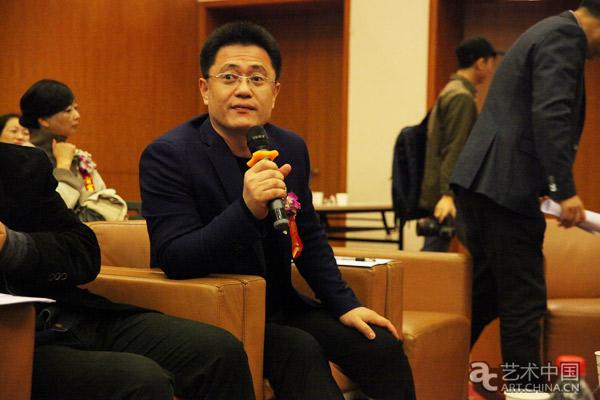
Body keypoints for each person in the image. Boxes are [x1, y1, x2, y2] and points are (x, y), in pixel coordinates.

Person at [140, 21, 415, 400]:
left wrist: (345, 304)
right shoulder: (169, 155)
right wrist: (246, 209)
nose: (243, 89)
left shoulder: (289, 146)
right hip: (215, 314)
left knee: (379, 345)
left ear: (274, 92)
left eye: (257, 79)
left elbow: (309, 237)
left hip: (280, 305)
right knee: (299, 349)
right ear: (204, 89)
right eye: (229, 77)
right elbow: (175, 258)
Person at [0, 142, 255, 399]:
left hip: (71, 314)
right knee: (141, 379)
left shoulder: (18, 165)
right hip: (13, 344)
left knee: (219, 350)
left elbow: (83, 253)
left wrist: (13, 245)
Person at [450, 0, 600, 386]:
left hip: (485, 184)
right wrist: (563, 189)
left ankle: (419, 372)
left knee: (487, 295)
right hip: (504, 187)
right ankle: (526, 393)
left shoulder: (547, 31)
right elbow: (551, 113)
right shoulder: (565, 37)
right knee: (524, 302)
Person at [419, 37, 496, 252]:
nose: (492, 69)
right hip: (451, 192)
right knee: (438, 253)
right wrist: (448, 194)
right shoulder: (461, 96)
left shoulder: (452, 90)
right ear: (480, 63)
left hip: (446, 187)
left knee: (437, 250)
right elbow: (455, 148)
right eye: (491, 62)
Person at [19, 80, 128, 222]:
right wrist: (63, 165)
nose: (77, 115)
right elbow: (51, 212)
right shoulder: (22, 159)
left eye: (76, 108)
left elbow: (101, 197)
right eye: (68, 110)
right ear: (44, 120)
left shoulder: (78, 157)